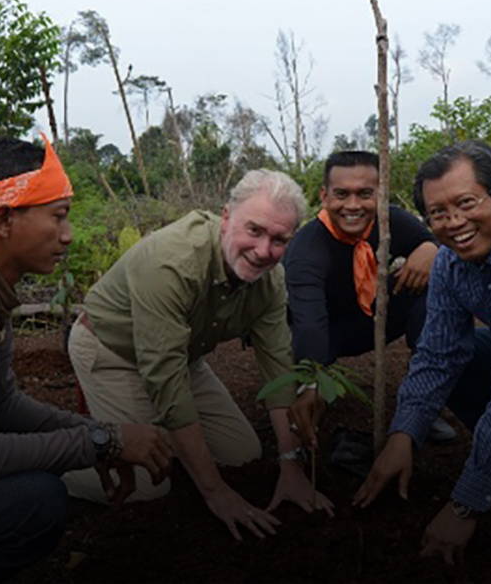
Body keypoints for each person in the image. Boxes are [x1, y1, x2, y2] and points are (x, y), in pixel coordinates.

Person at [0, 137, 172, 584]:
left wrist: (97, 433)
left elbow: (1, 406)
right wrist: (103, 444)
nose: (67, 234)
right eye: (58, 216)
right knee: (37, 504)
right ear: (5, 220)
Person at [64, 168, 334, 541]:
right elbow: (166, 384)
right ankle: (50, 460)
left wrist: (292, 467)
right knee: (148, 488)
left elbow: (278, 371)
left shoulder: (270, 281)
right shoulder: (171, 263)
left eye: (279, 239)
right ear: (226, 218)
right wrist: (217, 492)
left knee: (243, 454)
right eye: (253, 230)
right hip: (113, 352)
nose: (263, 251)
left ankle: (160, 440)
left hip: (182, 357)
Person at [354, 141, 491, 564]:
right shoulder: (450, 263)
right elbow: (438, 357)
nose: (454, 222)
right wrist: (404, 434)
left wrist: (466, 504)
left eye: (466, 203)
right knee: (463, 355)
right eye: (438, 213)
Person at [283, 150, 454, 442]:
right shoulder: (306, 249)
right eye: (341, 194)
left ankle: (422, 403)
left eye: (365, 194)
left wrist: (432, 249)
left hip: (376, 318)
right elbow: (309, 321)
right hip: (325, 331)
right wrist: (310, 382)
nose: (353, 205)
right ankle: (313, 394)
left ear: (381, 194)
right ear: (324, 196)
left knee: (432, 287)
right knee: (309, 379)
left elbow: (445, 237)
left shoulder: (392, 222)